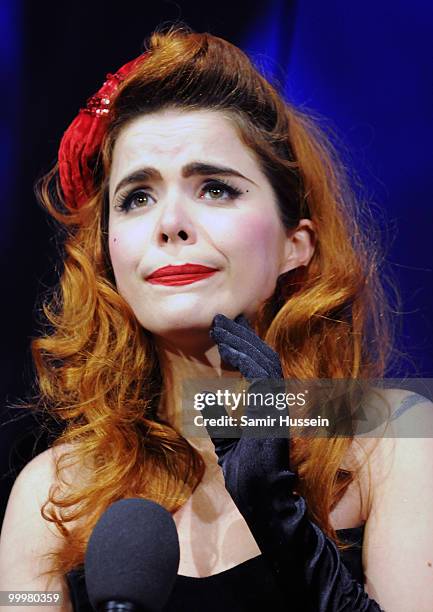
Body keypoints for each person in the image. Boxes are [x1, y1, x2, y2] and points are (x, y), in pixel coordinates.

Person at [0, 24, 432, 612]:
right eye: (137, 197)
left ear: (294, 244)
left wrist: (285, 526)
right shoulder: (52, 494)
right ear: (109, 255)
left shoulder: (391, 438)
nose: (170, 223)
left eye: (215, 189)